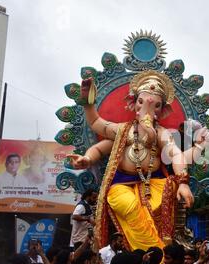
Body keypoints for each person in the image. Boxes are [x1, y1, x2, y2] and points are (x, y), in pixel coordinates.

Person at [68, 70, 197, 252]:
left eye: (156, 106)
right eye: (141, 102)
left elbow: (175, 154)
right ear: (134, 103)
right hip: (122, 185)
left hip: (154, 184)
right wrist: (87, 158)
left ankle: (155, 252)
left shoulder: (161, 133)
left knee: (165, 196)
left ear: (162, 110)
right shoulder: (122, 131)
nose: (147, 109)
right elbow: (97, 125)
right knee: (127, 205)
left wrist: (183, 182)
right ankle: (153, 253)